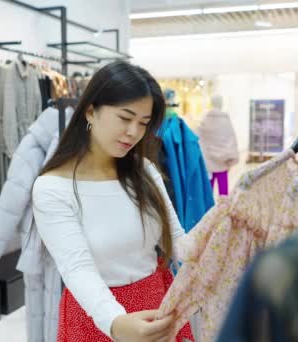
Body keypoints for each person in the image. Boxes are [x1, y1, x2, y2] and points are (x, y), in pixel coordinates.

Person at [32, 61, 195, 342]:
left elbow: (179, 240)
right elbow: (77, 269)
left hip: (155, 304)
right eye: (125, 118)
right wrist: (116, 323)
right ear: (91, 110)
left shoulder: (144, 170)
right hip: (96, 314)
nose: (134, 132)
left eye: (143, 123)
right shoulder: (52, 188)